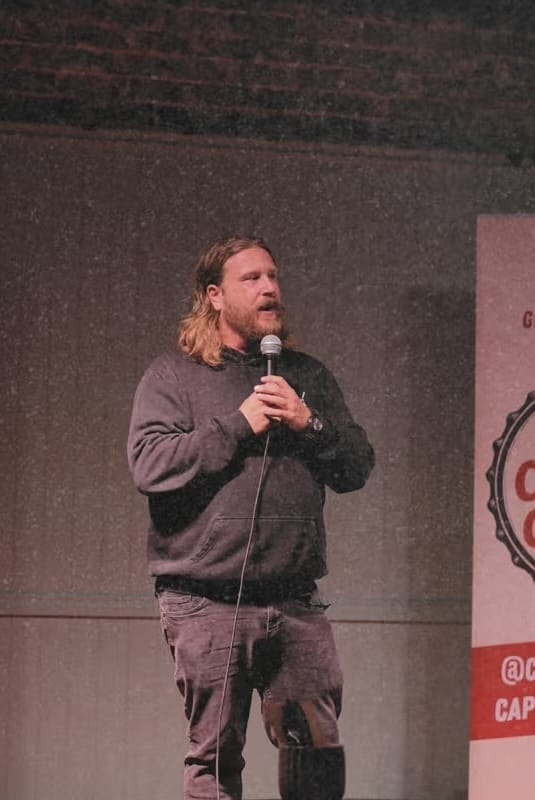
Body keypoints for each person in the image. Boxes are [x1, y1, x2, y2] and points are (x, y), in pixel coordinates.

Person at [127, 236, 374, 800]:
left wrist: (309, 423)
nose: (269, 288)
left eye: (273, 276)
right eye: (252, 278)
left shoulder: (306, 376)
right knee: (216, 760)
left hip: (296, 600)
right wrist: (239, 425)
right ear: (214, 296)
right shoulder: (174, 376)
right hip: (206, 599)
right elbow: (151, 466)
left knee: (316, 753)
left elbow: (357, 466)